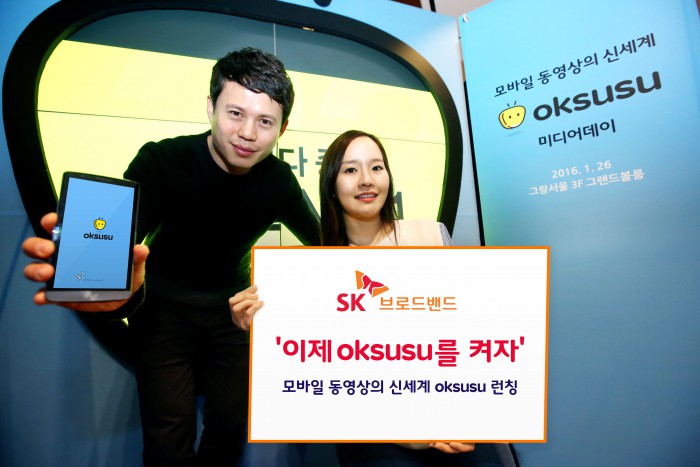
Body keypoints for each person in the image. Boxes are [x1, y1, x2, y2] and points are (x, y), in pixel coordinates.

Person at [23, 47, 320, 466]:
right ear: (210, 107)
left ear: (282, 128)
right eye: (235, 113)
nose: (247, 133)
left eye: (265, 121)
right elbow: (122, 252)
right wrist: (97, 278)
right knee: (167, 440)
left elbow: (325, 247)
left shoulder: (279, 181)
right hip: (162, 309)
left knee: (230, 428)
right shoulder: (162, 160)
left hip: (231, 312)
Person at [231, 130, 518, 466]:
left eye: (376, 167)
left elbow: (469, 338)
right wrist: (261, 329)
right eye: (350, 170)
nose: (366, 180)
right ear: (331, 185)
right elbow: (322, 379)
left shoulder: (429, 235)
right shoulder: (311, 272)